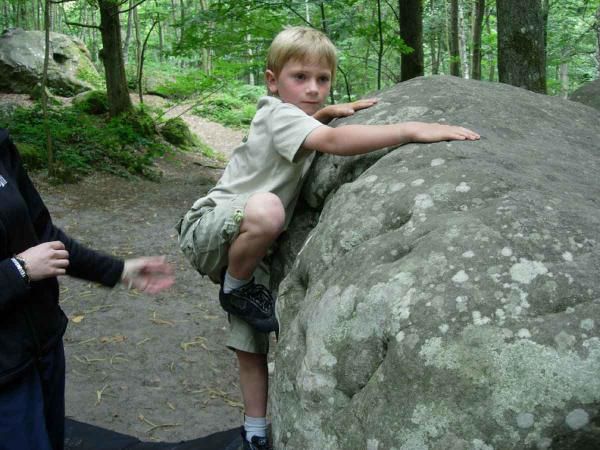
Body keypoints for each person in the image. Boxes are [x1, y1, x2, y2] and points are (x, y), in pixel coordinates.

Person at [177, 26, 479, 450]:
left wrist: (326, 111)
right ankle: (236, 286)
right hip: (210, 227)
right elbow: (333, 142)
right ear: (271, 81)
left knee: (251, 343)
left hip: (251, 248)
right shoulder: (275, 113)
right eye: (300, 78)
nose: (314, 89)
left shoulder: (295, 116)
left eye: (323, 79)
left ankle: (255, 431)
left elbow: (314, 127)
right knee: (267, 209)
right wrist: (409, 130)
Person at [0, 128, 174, 450]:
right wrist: (18, 270)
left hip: (43, 349)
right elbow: (30, 260)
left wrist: (118, 270)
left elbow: (43, 235)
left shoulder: (0, 146)